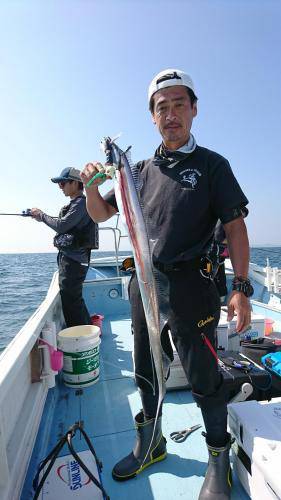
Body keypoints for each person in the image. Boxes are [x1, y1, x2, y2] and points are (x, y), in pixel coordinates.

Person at [81, 69, 253, 499]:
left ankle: (217, 457)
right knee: (145, 367)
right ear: (152, 116)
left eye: (179, 104)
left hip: (194, 286)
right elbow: (102, 214)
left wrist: (242, 287)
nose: (171, 114)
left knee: (203, 374)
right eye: (162, 107)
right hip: (145, 282)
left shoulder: (213, 166)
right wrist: (90, 187)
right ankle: (152, 441)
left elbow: (235, 227)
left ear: (194, 109)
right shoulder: (136, 171)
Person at [31, 167, 99, 328]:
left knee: (71, 300)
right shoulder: (77, 204)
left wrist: (41, 215)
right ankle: (87, 330)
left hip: (74, 261)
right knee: (74, 299)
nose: (60, 187)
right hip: (72, 259)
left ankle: (81, 338)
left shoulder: (81, 203)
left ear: (75, 183)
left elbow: (62, 225)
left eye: (62, 183)